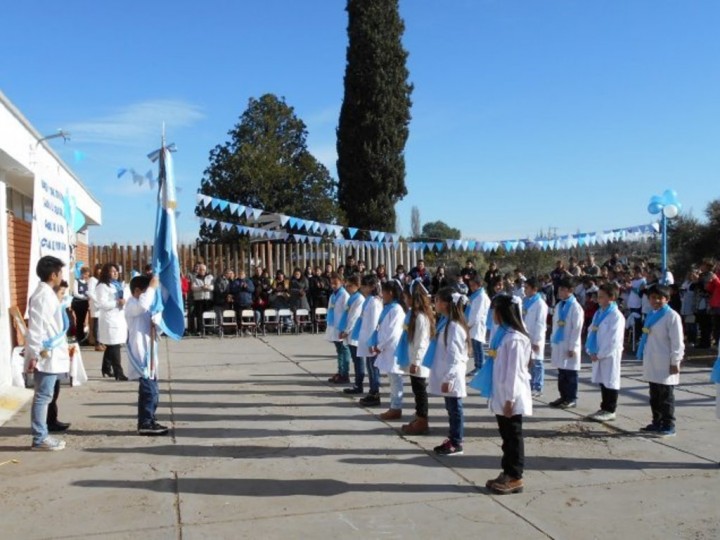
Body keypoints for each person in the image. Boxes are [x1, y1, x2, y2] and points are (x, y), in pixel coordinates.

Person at [485, 294, 532, 495]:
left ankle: (515, 476)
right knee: (506, 436)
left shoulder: (514, 339)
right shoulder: (503, 335)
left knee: (513, 436)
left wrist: (510, 399)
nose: (492, 314)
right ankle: (506, 471)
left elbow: (513, 373)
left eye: (494, 310)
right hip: (502, 392)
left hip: (510, 396)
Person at [25, 256, 70, 450]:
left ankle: (41, 435)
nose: (61, 276)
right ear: (53, 275)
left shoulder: (49, 294)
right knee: (43, 396)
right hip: (45, 354)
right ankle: (39, 437)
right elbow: (36, 327)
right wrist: (35, 354)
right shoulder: (43, 296)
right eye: (60, 273)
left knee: (47, 395)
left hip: (52, 351)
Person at [125, 274, 169, 436]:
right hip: (140, 354)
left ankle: (149, 419)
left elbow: (157, 326)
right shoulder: (132, 304)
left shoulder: (144, 305)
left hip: (149, 352)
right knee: (148, 391)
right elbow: (142, 306)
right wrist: (151, 286)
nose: (149, 295)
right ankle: (145, 422)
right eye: (146, 291)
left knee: (153, 391)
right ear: (137, 291)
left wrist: (157, 322)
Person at [638, 284, 685, 437]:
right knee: (654, 395)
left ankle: (668, 424)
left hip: (665, 362)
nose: (656, 300)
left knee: (666, 396)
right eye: (653, 297)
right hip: (652, 360)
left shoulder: (672, 316)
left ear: (667, 299)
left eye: (660, 298)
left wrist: (675, 361)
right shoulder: (651, 314)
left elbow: (677, 342)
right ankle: (656, 421)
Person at [428, 287, 469, 456]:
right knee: (451, 408)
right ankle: (453, 438)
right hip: (446, 372)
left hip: (452, 374)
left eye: (437, 301)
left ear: (445, 304)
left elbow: (455, 355)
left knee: (455, 409)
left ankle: (456, 442)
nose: (435, 304)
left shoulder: (453, 326)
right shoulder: (446, 322)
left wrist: (449, 378)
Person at [585, 283, 626, 422]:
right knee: (603, 381)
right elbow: (591, 329)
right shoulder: (599, 313)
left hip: (609, 354)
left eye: (602, 297)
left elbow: (613, 340)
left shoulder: (616, 316)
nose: (598, 299)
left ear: (612, 297)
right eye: (598, 296)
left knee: (611, 381)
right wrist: (590, 349)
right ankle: (604, 407)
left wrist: (601, 353)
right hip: (597, 352)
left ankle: (610, 409)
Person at [401, 280, 434, 435]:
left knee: (420, 391)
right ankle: (419, 416)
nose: (405, 300)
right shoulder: (414, 315)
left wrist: (416, 361)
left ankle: (423, 420)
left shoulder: (421, 317)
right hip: (414, 358)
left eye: (407, 298)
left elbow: (422, 342)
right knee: (416, 389)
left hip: (418, 361)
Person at [371, 280, 407, 420]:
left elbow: (392, 333)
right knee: (392, 379)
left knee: (396, 379)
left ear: (390, 293)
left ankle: (396, 407)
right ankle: (394, 406)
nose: (382, 294)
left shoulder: (396, 309)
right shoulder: (389, 308)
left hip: (392, 348)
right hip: (387, 348)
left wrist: (380, 346)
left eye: (383, 292)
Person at [549, 278, 584, 409]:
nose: (560, 292)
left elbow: (577, 329)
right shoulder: (559, 305)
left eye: (563, 290)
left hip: (569, 343)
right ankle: (563, 396)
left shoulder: (575, 307)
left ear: (571, 291)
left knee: (570, 373)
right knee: (561, 372)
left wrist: (573, 347)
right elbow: (554, 325)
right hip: (559, 342)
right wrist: (553, 340)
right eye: (559, 289)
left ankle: (571, 398)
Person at [95, 263, 129, 380]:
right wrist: (116, 303)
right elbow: (101, 303)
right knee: (115, 346)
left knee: (112, 345)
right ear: (106, 273)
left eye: (116, 271)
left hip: (118, 317)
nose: (115, 273)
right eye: (112, 271)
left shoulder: (117, 285)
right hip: (110, 319)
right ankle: (119, 373)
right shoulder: (102, 286)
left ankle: (105, 368)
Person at [356, 275, 384, 407]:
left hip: (371, 339)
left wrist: (373, 342)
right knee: (370, 366)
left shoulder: (374, 302)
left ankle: (375, 393)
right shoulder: (368, 300)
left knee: (373, 368)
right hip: (366, 338)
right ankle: (372, 391)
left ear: (372, 287)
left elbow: (374, 323)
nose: (362, 288)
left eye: (365, 285)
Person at [338, 276, 364, 395]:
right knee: (355, 359)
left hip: (355, 333)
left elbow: (354, 317)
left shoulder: (359, 299)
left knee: (358, 360)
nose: (347, 288)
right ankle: (357, 383)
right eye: (346, 285)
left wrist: (346, 331)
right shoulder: (352, 298)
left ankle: (359, 384)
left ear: (356, 286)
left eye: (349, 285)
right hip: (350, 333)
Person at [523, 278, 548, 397]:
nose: (525, 290)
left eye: (527, 288)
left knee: (537, 362)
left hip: (536, 337)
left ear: (534, 289)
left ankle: (538, 387)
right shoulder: (526, 301)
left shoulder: (540, 304)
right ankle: (530, 384)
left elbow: (540, 324)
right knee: (529, 362)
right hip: (526, 336)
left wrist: (536, 341)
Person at [326, 272, 351, 384]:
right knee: (339, 350)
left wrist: (345, 329)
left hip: (342, 327)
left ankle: (345, 374)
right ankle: (340, 371)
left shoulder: (344, 295)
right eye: (331, 283)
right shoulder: (333, 295)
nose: (333, 285)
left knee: (344, 350)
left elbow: (347, 313)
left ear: (341, 282)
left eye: (335, 283)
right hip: (334, 326)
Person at [465, 274, 490, 378]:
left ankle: (480, 367)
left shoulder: (482, 297)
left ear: (479, 284)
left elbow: (477, 314)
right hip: (471, 325)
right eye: (470, 285)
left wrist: (469, 325)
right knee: (475, 346)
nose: (471, 287)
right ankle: (477, 366)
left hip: (476, 325)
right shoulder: (475, 295)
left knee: (478, 346)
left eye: (473, 285)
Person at [191, 264, 214, 335]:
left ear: (206, 270)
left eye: (203, 269)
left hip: (208, 298)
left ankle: (208, 330)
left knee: (208, 315)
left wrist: (207, 287)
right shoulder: (195, 278)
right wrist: (201, 287)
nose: (202, 271)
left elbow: (213, 287)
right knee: (199, 315)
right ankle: (200, 330)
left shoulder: (210, 277)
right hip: (199, 299)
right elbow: (193, 288)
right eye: (200, 269)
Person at [71, 266, 91, 344]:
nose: (86, 276)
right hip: (77, 303)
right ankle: (79, 337)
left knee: (83, 321)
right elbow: (75, 293)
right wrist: (85, 297)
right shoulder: (77, 281)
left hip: (84, 304)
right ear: (82, 273)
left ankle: (82, 336)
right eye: (85, 274)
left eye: (87, 275)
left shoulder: (87, 282)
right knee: (79, 321)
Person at [87, 263, 104, 350]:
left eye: (101, 269)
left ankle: (101, 341)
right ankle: (97, 343)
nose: (100, 271)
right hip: (95, 304)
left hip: (102, 305)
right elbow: (90, 292)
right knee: (96, 323)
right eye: (98, 269)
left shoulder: (102, 280)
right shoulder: (92, 280)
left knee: (101, 323)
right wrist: (97, 301)